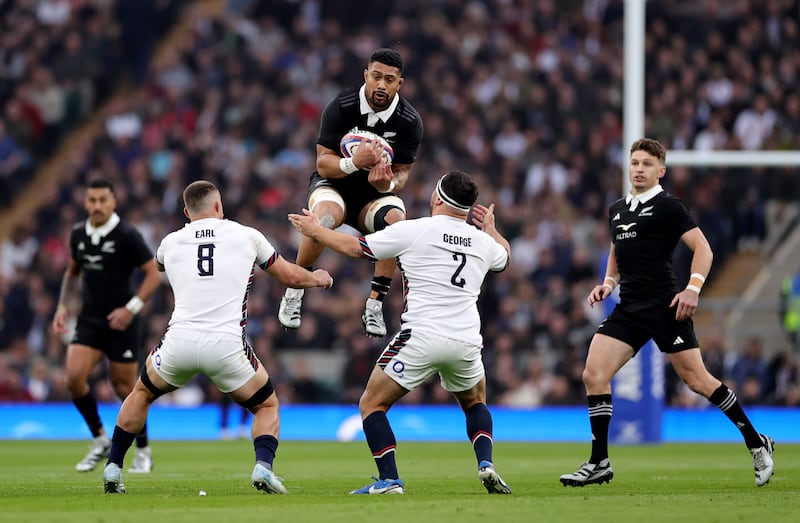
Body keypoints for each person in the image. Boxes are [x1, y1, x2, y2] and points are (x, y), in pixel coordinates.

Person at [559, 138, 775, 488]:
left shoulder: (669, 206)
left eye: (647, 164)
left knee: (698, 381)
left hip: (665, 307)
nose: (639, 169)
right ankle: (599, 462)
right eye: (634, 163)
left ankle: (756, 442)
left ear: (661, 171)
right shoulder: (617, 209)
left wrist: (693, 288)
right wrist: (608, 283)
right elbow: (617, 253)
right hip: (629, 308)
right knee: (593, 374)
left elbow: (703, 249)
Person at [102, 180, 333, 494]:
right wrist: (317, 279)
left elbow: (159, 267)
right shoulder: (247, 235)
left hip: (178, 342)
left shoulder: (169, 242)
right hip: (225, 345)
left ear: (186, 211)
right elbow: (290, 275)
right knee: (266, 405)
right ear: (219, 206)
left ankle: (114, 469)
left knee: (141, 393)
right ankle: (263, 468)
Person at [289, 169, 512, 495]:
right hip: (466, 340)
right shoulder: (483, 242)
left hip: (422, 336)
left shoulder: (414, 230)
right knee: (476, 403)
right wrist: (491, 229)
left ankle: (389, 479)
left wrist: (316, 231)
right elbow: (505, 256)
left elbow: (355, 248)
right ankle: (486, 464)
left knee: (371, 404)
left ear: (436, 198)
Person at [278, 47, 424, 338]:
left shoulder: (409, 120)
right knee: (323, 219)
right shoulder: (342, 106)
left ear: (400, 84)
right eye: (377, 76)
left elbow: (404, 173)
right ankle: (295, 289)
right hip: (334, 184)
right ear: (366, 76)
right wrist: (353, 163)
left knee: (397, 224)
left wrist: (389, 184)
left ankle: (375, 304)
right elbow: (323, 162)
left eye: (390, 79)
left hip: (374, 193)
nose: (382, 85)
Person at [51, 179, 162, 474]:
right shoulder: (78, 234)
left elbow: (153, 273)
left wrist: (131, 309)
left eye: (103, 200)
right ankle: (100, 438)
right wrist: (62, 306)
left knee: (125, 388)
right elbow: (73, 273)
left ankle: (143, 449)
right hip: (90, 317)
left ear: (113, 202)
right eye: (92, 200)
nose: (97, 206)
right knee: (74, 378)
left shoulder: (127, 235)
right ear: (85, 203)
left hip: (122, 320)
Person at [779, 271, 800, 352]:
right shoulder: (788, 282)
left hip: (792, 322)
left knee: (796, 349)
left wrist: (782, 320)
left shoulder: (788, 282)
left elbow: (782, 303)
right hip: (793, 322)